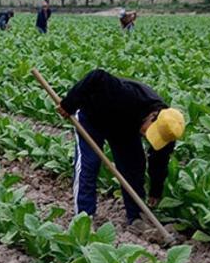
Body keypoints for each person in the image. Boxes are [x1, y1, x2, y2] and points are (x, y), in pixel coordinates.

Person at [57, 69, 185, 234]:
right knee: (89, 164)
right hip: (93, 116)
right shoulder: (126, 95)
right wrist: (69, 104)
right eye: (149, 132)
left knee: (134, 166)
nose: (147, 137)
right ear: (153, 116)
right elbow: (97, 76)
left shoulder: (169, 130)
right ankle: (83, 218)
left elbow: (159, 161)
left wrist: (155, 190)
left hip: (124, 127)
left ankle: (136, 216)